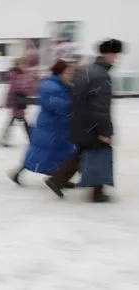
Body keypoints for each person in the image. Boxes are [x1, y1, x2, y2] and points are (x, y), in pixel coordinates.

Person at [45, 39, 123, 202]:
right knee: (101, 153)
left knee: (82, 152)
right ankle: (97, 193)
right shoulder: (101, 76)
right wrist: (105, 131)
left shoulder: (85, 70)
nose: (116, 58)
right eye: (115, 54)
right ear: (107, 54)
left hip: (80, 122)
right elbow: (100, 108)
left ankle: (57, 180)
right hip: (92, 124)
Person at [9, 59, 76, 188]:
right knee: (40, 153)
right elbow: (54, 104)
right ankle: (17, 173)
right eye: (68, 71)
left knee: (62, 153)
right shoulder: (50, 85)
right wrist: (73, 104)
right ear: (60, 71)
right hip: (50, 126)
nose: (71, 74)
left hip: (60, 126)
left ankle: (60, 178)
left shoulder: (62, 84)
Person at [0, 57, 36, 147]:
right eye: (22, 65)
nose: (25, 66)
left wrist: (32, 88)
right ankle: (32, 139)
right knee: (22, 121)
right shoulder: (16, 75)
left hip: (19, 101)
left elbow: (29, 87)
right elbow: (14, 89)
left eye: (25, 65)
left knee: (16, 120)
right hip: (17, 101)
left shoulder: (21, 75)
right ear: (17, 66)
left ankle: (4, 139)